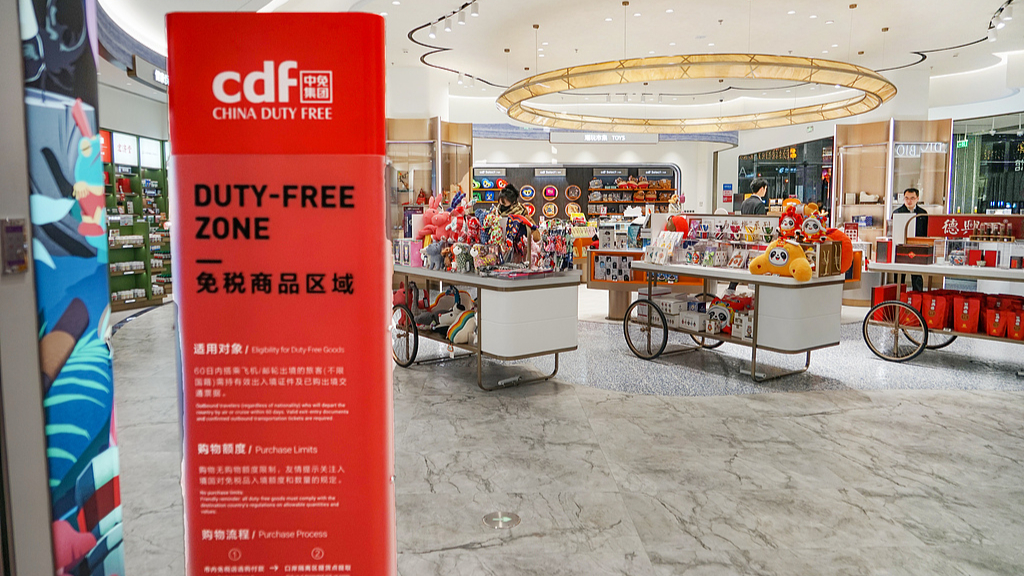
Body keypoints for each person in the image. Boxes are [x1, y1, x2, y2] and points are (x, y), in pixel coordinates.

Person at [726, 178, 770, 293]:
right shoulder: (759, 204)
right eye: (765, 188)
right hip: (755, 239)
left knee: (741, 263)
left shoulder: (744, 202)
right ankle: (755, 290)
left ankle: (731, 288)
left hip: (744, 237)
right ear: (762, 189)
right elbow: (760, 223)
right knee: (754, 264)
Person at [893, 187, 928, 292]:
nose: (909, 201)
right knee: (899, 274)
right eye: (906, 198)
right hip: (901, 246)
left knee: (916, 274)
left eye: (912, 198)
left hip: (917, 246)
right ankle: (898, 295)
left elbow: (926, 232)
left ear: (917, 198)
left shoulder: (923, 213)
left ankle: (917, 296)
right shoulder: (897, 212)